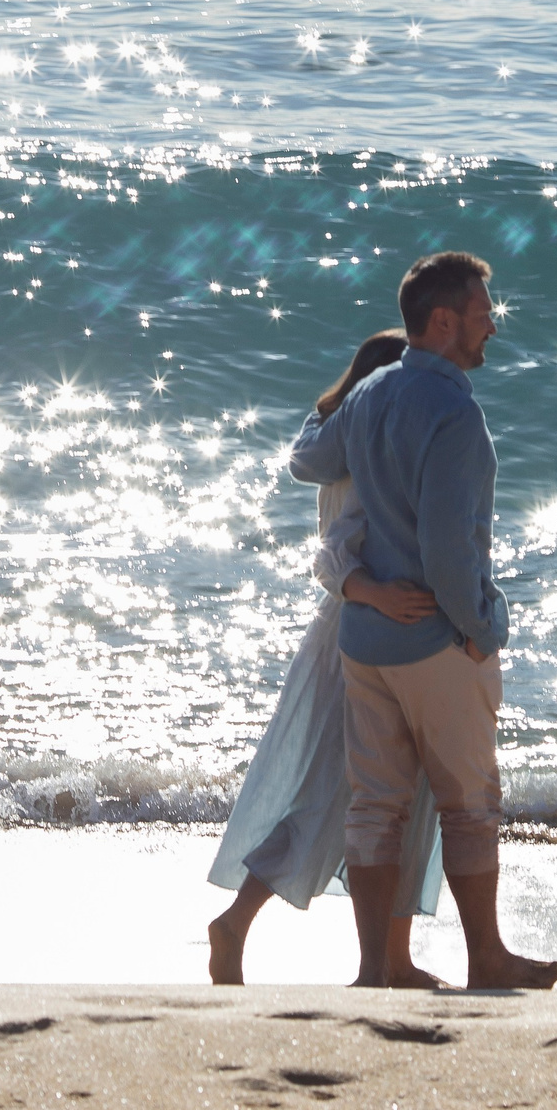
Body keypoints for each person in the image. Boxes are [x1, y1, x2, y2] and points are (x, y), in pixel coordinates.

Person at [288, 251, 557, 991]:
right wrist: (481, 625)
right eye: (482, 315)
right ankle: (487, 958)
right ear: (443, 323)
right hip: (433, 640)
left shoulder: (373, 390)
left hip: (365, 639)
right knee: (470, 805)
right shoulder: (456, 413)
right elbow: (449, 548)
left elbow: (311, 460)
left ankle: (377, 969)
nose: (492, 328)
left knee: (376, 805)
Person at [206, 329, 450, 988]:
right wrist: (371, 589)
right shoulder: (366, 448)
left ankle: (392, 956)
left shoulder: (355, 442)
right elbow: (333, 552)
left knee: (398, 792)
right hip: (360, 633)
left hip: (376, 629)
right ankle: (237, 923)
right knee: (340, 794)